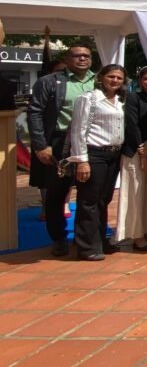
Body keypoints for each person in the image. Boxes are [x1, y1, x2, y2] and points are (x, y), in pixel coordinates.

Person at [28, 43, 95, 257]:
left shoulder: (99, 81)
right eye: (77, 56)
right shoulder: (49, 81)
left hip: (93, 142)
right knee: (57, 193)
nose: (82, 59)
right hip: (60, 143)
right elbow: (35, 112)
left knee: (91, 193)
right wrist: (40, 145)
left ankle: (85, 237)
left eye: (86, 55)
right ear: (67, 59)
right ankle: (58, 237)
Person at [66, 64, 127, 261]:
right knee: (89, 201)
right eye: (111, 76)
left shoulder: (120, 100)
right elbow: (78, 130)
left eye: (119, 78)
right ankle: (86, 246)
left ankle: (100, 240)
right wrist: (81, 161)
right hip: (94, 154)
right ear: (101, 78)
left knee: (103, 200)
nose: (115, 81)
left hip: (113, 155)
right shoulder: (89, 99)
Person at [117, 66, 147, 251]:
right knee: (135, 193)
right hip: (135, 151)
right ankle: (136, 235)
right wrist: (142, 151)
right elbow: (132, 125)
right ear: (140, 81)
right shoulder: (133, 98)